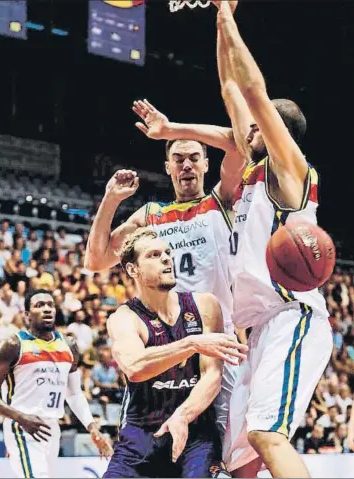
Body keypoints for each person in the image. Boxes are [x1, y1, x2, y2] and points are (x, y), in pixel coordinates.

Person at [171, 2, 330, 477]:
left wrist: (228, 20)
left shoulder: (291, 172)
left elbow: (252, 91)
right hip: (257, 332)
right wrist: (218, 18)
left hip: (292, 317)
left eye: (257, 128)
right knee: (237, 461)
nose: (247, 131)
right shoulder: (254, 175)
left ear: (275, 132)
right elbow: (228, 88)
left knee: (267, 434)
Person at [85, 86, 250, 446]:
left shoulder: (221, 201)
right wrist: (111, 201)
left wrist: (171, 129)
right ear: (167, 168)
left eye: (194, 157)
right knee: (161, 447)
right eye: (178, 159)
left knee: (227, 451)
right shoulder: (151, 216)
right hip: (168, 341)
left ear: (207, 164)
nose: (186, 164)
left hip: (217, 339)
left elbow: (239, 144)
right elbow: (96, 261)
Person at [103, 228, 248, 478]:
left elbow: (212, 376)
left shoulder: (204, 305)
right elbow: (135, 368)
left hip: (195, 432)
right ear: (132, 270)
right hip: (141, 435)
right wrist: (191, 344)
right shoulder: (124, 318)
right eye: (154, 254)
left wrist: (182, 415)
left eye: (168, 253)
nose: (167, 258)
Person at [0, 289, 112, 478]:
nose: (47, 309)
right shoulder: (13, 345)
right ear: (27, 315)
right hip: (22, 427)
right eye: (39, 305)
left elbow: (74, 394)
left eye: (50, 305)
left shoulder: (69, 345)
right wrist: (20, 417)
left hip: (52, 427)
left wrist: (92, 427)